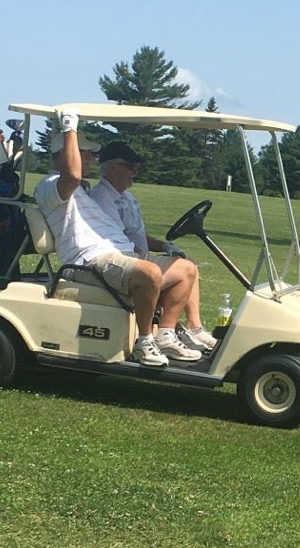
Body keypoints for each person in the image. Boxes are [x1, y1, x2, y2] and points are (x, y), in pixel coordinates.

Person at [32, 110, 196, 367]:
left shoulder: (80, 191)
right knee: (150, 273)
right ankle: (144, 342)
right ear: (65, 155)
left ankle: (165, 334)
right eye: (84, 153)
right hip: (88, 260)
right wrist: (68, 128)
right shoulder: (50, 187)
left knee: (186, 269)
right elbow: (72, 175)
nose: (90, 159)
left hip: (117, 254)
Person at [87, 139, 218, 360]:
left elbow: (137, 233)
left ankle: (194, 328)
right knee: (185, 270)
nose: (134, 173)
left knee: (187, 263)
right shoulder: (102, 198)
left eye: (136, 168)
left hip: (135, 255)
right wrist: (145, 256)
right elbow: (117, 238)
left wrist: (165, 246)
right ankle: (166, 335)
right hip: (120, 259)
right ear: (110, 167)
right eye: (129, 167)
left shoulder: (127, 197)